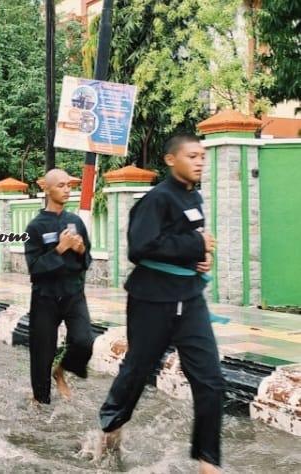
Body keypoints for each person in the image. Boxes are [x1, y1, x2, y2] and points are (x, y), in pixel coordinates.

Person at [98, 135, 223, 474]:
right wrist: (195, 246)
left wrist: (201, 258)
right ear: (171, 160)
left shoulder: (193, 196)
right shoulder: (156, 199)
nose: (199, 162)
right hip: (152, 300)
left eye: (202, 156)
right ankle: (110, 427)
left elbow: (190, 244)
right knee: (137, 372)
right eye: (192, 156)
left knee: (211, 381)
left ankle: (208, 463)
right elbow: (139, 246)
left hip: (190, 298)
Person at [24, 169, 94, 405]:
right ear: (47, 189)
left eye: (69, 185)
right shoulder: (35, 227)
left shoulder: (75, 221)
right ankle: (40, 402)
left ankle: (62, 369)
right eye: (61, 185)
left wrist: (81, 250)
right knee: (41, 356)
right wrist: (60, 248)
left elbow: (87, 258)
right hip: (45, 297)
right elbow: (34, 268)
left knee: (84, 341)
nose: (66, 190)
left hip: (74, 292)